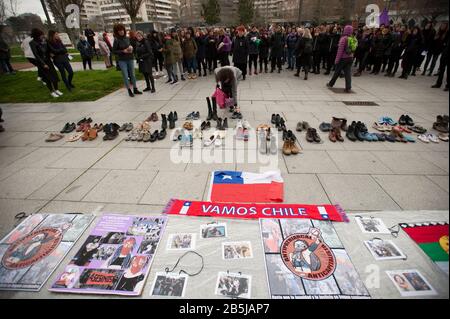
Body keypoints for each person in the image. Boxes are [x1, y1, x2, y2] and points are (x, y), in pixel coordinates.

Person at [29, 28, 62, 98]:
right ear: (37, 35)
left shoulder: (44, 40)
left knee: (54, 76)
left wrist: (52, 52)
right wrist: (43, 64)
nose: (42, 36)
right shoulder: (32, 43)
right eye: (41, 35)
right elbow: (36, 55)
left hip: (48, 60)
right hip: (41, 63)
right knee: (48, 78)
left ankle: (56, 90)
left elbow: (49, 48)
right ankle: (52, 92)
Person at [112, 24, 142, 97]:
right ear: (117, 32)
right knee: (125, 75)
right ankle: (129, 90)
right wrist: (123, 51)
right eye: (119, 31)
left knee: (133, 74)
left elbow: (131, 46)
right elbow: (114, 51)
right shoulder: (116, 40)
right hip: (122, 60)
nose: (121, 32)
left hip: (130, 58)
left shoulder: (127, 38)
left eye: (122, 30)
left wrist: (131, 48)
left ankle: (135, 88)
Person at [327, 25, 355, 93]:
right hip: (350, 57)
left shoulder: (343, 38)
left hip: (343, 58)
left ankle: (331, 83)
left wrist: (336, 60)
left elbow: (340, 50)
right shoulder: (352, 38)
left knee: (337, 71)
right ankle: (348, 87)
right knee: (348, 73)